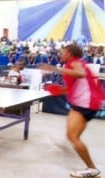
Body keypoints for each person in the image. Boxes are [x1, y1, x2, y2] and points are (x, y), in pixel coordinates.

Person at [40, 44, 102, 178]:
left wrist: (55, 68)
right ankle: (81, 156)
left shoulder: (76, 62)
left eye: (63, 52)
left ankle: (92, 169)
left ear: (69, 53)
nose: (61, 54)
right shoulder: (74, 64)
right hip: (83, 103)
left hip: (86, 104)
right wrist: (58, 90)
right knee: (72, 135)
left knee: (73, 137)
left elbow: (80, 74)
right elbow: (72, 86)